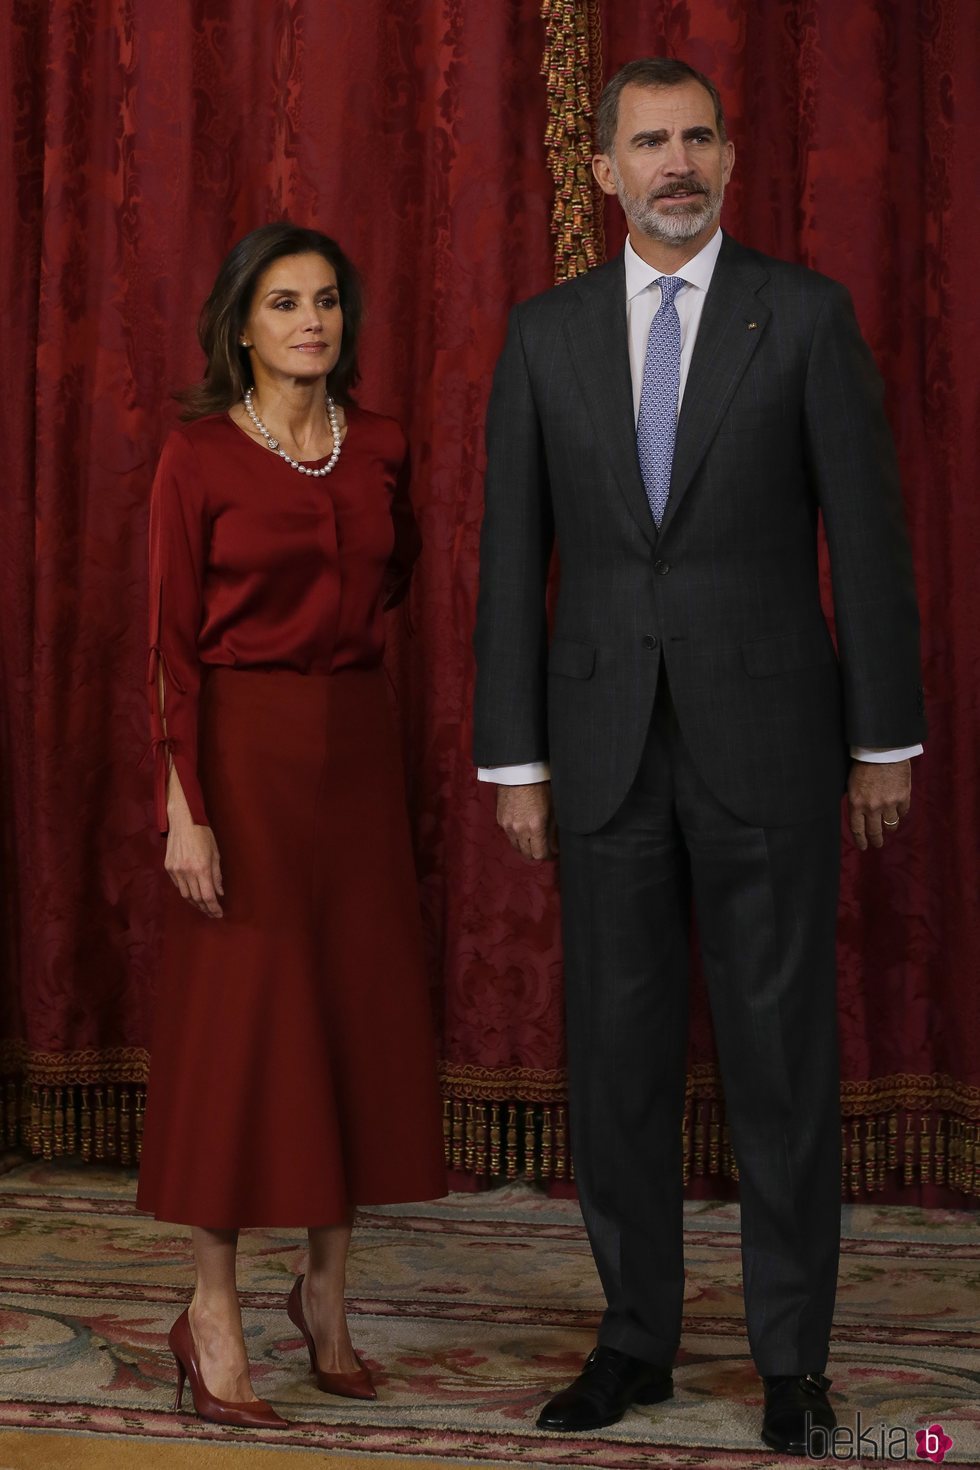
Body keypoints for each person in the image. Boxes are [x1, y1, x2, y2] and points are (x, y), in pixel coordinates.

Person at [473, 58, 924, 1456]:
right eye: (648, 142)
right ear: (602, 169)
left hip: (777, 751)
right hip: (602, 756)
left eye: (697, 137)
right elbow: (511, 566)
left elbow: (872, 543)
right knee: (615, 1064)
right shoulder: (542, 336)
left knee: (783, 1060)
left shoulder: (802, 317)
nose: (676, 162)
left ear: (730, 157)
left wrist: (883, 742)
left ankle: (795, 1359)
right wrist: (514, 764)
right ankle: (635, 1341)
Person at [137, 222, 446, 1428]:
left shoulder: (378, 447)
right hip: (240, 763)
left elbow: (396, 574)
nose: (309, 322)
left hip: (357, 755)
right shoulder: (197, 457)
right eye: (282, 303)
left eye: (324, 302)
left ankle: (325, 1298)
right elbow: (163, 649)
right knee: (240, 1034)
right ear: (239, 325)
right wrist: (184, 811)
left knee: (349, 1019)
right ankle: (209, 1311)